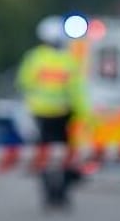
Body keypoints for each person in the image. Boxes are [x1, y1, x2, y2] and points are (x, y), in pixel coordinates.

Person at [17, 16, 87, 209]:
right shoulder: (67, 61)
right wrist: (85, 116)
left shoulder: (34, 59)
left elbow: (24, 83)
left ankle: (49, 193)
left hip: (40, 115)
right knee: (64, 155)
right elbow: (77, 92)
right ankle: (62, 193)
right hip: (63, 115)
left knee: (44, 156)